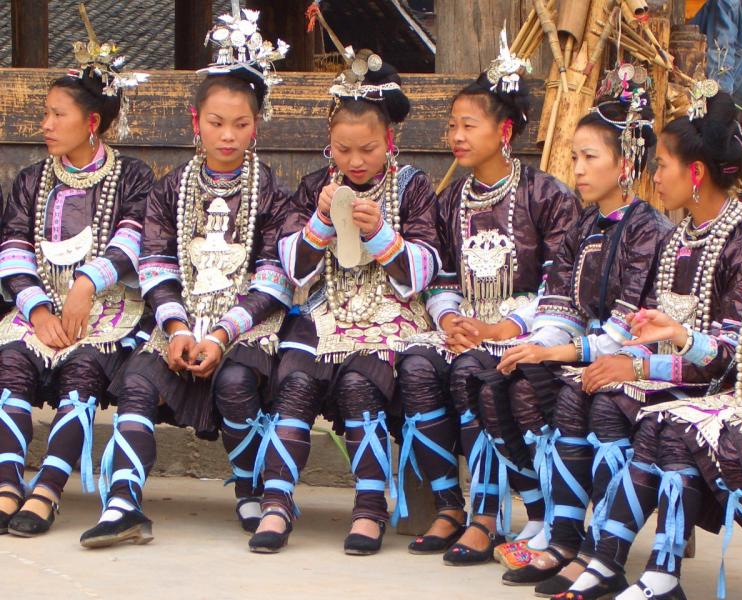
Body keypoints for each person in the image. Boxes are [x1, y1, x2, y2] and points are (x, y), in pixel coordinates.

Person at [79, 7, 291, 548]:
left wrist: (221, 333)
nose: (227, 135)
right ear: (196, 123)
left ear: (257, 126)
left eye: (240, 124)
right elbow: (155, 263)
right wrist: (176, 328)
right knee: (137, 382)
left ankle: (249, 485)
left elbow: (274, 273)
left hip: (244, 325)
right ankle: (122, 503)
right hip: (178, 320)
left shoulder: (270, 189)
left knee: (238, 383)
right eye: (216, 123)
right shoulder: (170, 189)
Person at [552, 85, 742, 600]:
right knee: (598, 398)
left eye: (664, 165)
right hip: (680, 378)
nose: (655, 177)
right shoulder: (678, 239)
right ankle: (597, 553)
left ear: (694, 174)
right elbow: (650, 330)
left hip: (721, 389)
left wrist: (640, 368)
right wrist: (627, 358)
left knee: (658, 422)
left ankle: (630, 562)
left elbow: (727, 363)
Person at [394, 29, 580, 565]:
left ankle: (489, 514)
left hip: (523, 332)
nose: (455, 135)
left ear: (503, 131)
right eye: (451, 125)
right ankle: (450, 505)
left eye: (467, 126)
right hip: (467, 327)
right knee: (417, 367)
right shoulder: (450, 198)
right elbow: (440, 273)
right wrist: (449, 317)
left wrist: (509, 329)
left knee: (473, 372)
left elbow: (559, 281)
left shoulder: (545, 194)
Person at [490, 65, 672, 595]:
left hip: (630, 355)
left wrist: (561, 355)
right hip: (582, 351)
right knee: (510, 384)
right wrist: (538, 346)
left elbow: (630, 322)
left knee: (582, 400)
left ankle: (599, 548)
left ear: (627, 161)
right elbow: (559, 301)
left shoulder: (647, 229)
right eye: (575, 157)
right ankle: (562, 533)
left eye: (591, 157)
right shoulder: (583, 224)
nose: (579, 169)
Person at [256, 49, 441, 556]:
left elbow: (425, 269)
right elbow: (293, 268)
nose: (356, 161)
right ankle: (276, 501)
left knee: (361, 386)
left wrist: (382, 234)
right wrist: (319, 223)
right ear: (329, 145)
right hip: (325, 313)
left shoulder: (411, 187)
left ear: (390, 142)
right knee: (294, 382)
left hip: (389, 314)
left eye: (368, 149)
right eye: (343, 149)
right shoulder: (316, 187)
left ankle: (368, 507)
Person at [0, 26, 153, 536]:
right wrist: (39, 311)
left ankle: (47, 489)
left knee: (84, 371)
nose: (44, 124)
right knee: (12, 363)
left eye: (56, 115)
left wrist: (86, 286)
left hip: (109, 311)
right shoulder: (31, 180)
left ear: (91, 123)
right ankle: (6, 485)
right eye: (45, 113)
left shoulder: (132, 178)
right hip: (41, 308)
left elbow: (132, 239)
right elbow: (14, 249)